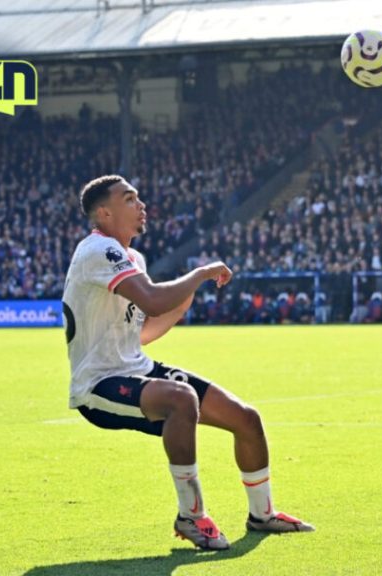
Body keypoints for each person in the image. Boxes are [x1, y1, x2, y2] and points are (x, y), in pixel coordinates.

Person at [61, 175, 313, 551]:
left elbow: (139, 332)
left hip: (135, 369)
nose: (141, 204)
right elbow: (150, 299)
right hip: (98, 384)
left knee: (246, 418)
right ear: (104, 213)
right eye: (130, 199)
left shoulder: (133, 258)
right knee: (182, 399)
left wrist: (179, 306)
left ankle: (263, 514)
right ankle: (191, 516)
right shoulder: (98, 250)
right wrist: (198, 275)